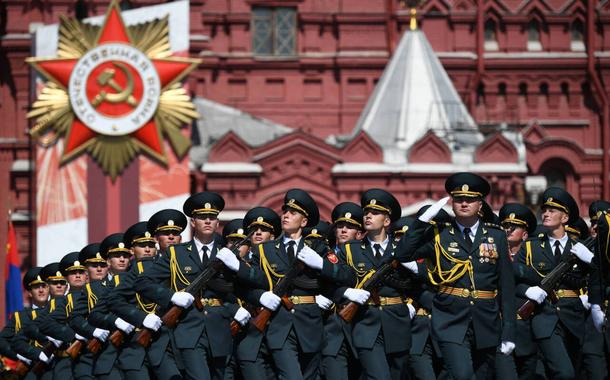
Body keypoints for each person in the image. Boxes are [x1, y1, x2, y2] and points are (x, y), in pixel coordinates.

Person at [217, 189, 356, 380]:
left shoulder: (317, 248)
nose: (286, 216)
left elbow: (347, 276)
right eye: (285, 212)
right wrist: (258, 294)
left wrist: (321, 264)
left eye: (293, 213)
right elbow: (246, 285)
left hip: (310, 325)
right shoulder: (265, 250)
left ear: (304, 222)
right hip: (278, 324)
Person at [398, 172, 516, 380]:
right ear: (451, 204)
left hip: (486, 319)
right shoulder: (439, 234)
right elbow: (402, 254)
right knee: (462, 375)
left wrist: (508, 331)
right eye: (459, 199)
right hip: (450, 319)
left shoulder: (496, 235)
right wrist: (421, 221)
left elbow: (506, 286)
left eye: (470, 199)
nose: (463, 203)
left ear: (480, 204)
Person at [136, 192, 247, 380]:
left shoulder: (227, 254)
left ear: (217, 223)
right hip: (189, 329)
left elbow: (249, 283)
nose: (207, 221)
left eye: (212, 217)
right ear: (193, 222)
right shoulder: (176, 254)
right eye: (202, 217)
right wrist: (171, 296)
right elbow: (143, 282)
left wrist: (238, 268)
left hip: (220, 328)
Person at [335, 189, 418, 380]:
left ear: (387, 221)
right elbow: (333, 283)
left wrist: (411, 305)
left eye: (375, 213)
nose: (368, 216)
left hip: (397, 322)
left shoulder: (401, 250)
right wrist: (347, 293)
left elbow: (417, 283)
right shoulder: (350, 250)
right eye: (366, 213)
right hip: (366, 323)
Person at [514, 187, 594, 379]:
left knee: (572, 372)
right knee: (564, 373)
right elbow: (513, 279)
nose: (546, 214)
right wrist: (528, 291)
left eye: (552, 211)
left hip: (574, 317)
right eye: (544, 210)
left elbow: (598, 279)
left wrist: (592, 261)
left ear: (565, 218)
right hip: (544, 317)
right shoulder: (530, 247)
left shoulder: (579, 248)